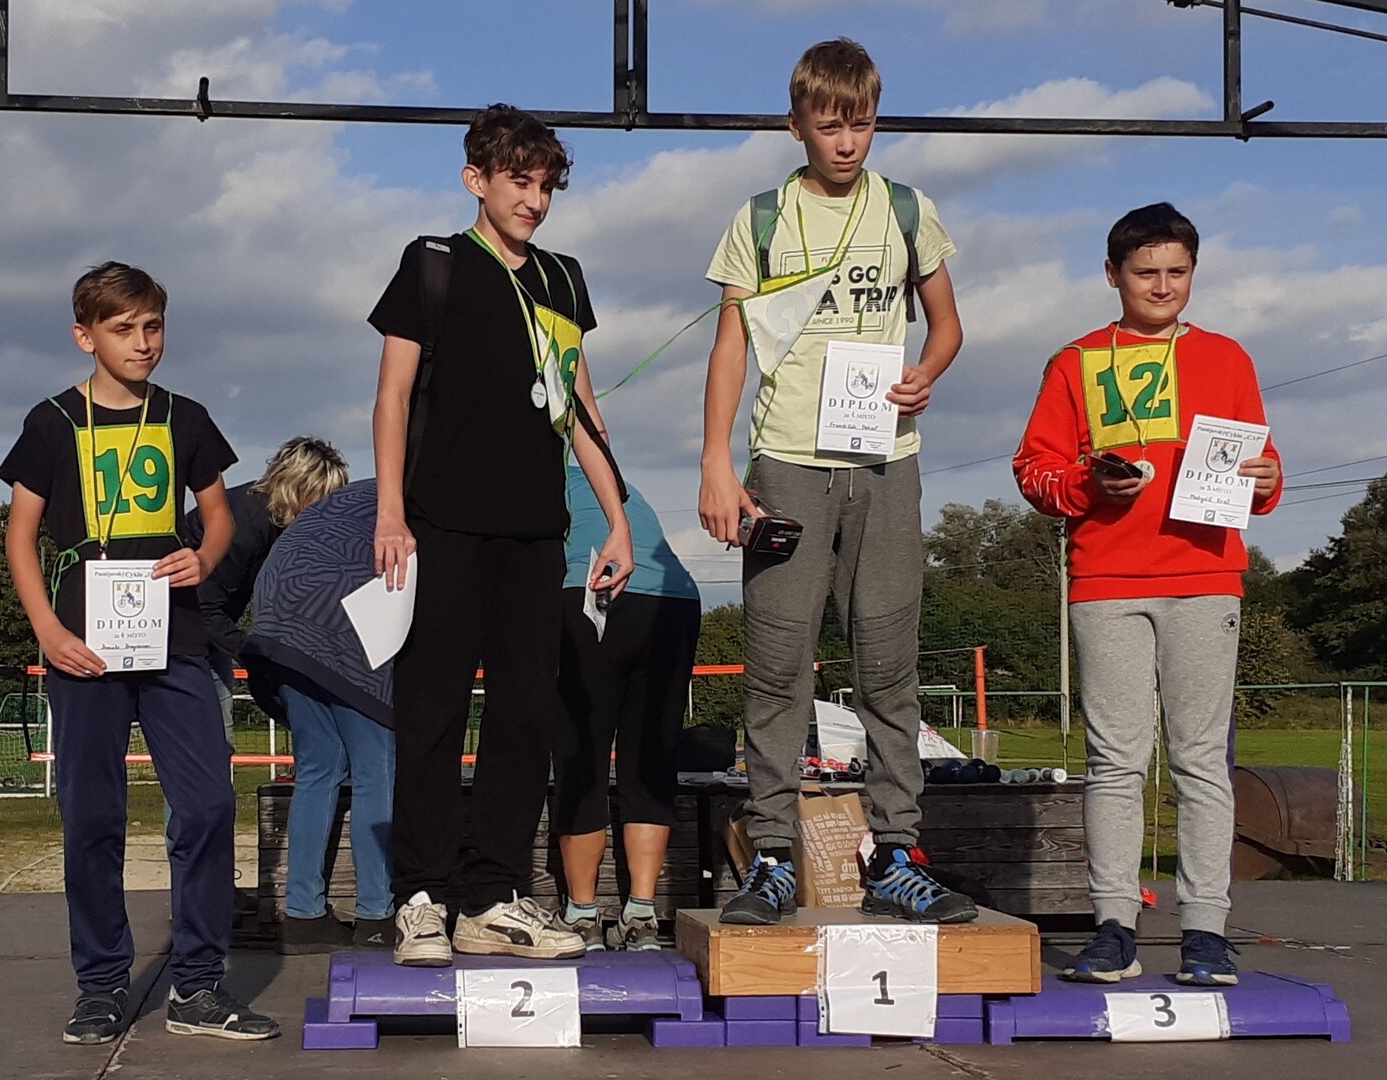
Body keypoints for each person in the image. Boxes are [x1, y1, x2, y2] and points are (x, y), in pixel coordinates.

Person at [697, 38, 972, 925]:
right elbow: (730, 346)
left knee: (888, 666)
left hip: (886, 461)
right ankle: (772, 856)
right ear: (798, 126)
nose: (848, 142)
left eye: (862, 124)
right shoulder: (761, 219)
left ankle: (896, 853)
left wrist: (926, 372)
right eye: (830, 126)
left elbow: (946, 325)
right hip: (787, 463)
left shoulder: (906, 209)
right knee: (778, 666)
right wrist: (715, 462)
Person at [370, 104, 634, 967]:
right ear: (475, 180)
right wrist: (390, 510)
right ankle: (421, 897)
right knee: (433, 712)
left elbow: (580, 407)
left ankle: (491, 897)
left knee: (525, 717)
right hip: (441, 523)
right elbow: (392, 396)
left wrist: (617, 519)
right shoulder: (434, 264)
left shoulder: (563, 279)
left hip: (535, 533)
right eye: (518, 182)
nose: (534, 201)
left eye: (546, 185)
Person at [0, 262, 278, 1044]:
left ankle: (198, 986)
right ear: (84, 336)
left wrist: (206, 557)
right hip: (82, 644)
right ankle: (100, 985)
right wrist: (48, 631)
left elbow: (218, 517)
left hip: (174, 638)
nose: (142, 342)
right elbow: (19, 536)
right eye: (123, 329)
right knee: (93, 816)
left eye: (153, 325)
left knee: (208, 804)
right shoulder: (51, 421)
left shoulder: (186, 417)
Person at [1013, 202, 1283, 986]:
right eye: (1145, 272)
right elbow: (1034, 470)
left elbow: (1261, 470)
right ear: (1113, 275)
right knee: (1116, 760)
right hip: (1107, 583)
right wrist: (1088, 484)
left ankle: (1206, 931)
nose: (1162, 286)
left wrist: (1269, 479)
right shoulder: (1075, 362)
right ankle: (1113, 925)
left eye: (1177, 271)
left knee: (1201, 760)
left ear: (1193, 272)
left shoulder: (1228, 358)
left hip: (1205, 578)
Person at [165, 437, 349, 855]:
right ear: (300, 490)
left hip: (202, 638)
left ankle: (206, 871)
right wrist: (259, 654)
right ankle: (197, 871)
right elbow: (206, 611)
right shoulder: (243, 526)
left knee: (212, 753)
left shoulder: (271, 524)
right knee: (202, 759)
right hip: (183, 640)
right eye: (321, 499)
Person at [241, 480, 395, 956]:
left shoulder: (355, 498)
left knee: (318, 765)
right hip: (342, 621)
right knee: (376, 769)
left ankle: (303, 915)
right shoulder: (419, 502)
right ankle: (377, 915)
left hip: (277, 621)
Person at [551, 465, 701, 951]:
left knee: (582, 757)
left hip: (595, 591)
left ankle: (581, 913)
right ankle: (641, 913)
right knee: (650, 761)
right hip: (674, 602)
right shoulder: (616, 483)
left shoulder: (542, 477)